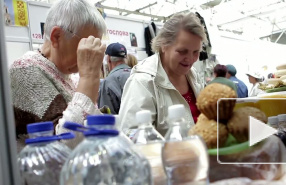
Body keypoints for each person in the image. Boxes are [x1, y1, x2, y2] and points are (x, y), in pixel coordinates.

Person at [9, 0, 107, 150]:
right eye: (85, 45)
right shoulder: (24, 70)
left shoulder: (71, 76)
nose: (90, 53)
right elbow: (65, 146)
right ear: (56, 37)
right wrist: (89, 77)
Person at [119, 12, 207, 136]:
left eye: (196, 52)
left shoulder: (192, 75)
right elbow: (132, 137)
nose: (190, 59)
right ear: (164, 45)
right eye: (182, 51)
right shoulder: (143, 82)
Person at [98, 43, 131, 114]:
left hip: (121, 124)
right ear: (125, 58)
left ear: (108, 59)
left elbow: (107, 115)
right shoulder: (136, 74)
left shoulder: (108, 82)